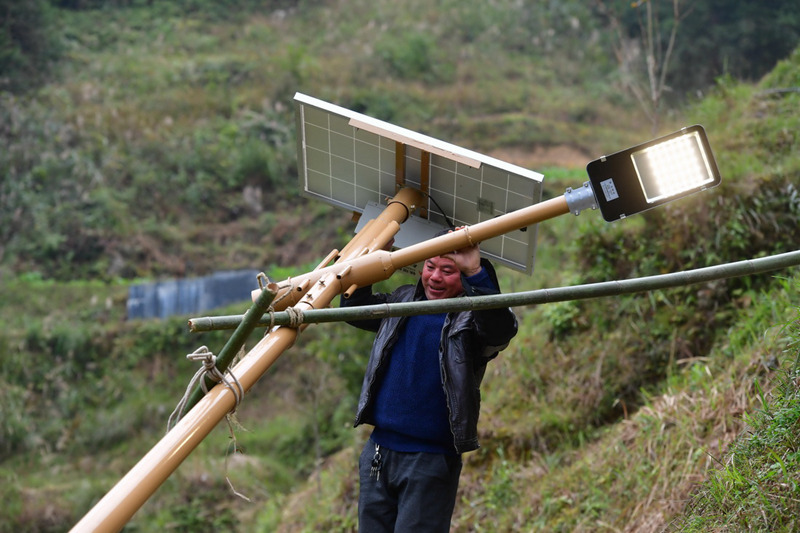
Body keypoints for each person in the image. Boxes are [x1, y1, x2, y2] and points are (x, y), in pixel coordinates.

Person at [340, 229, 518, 532]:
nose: (435, 277)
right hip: (379, 453)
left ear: (463, 277)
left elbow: (500, 330)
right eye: (430, 267)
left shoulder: (471, 320)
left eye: (448, 270)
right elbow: (353, 308)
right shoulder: (402, 300)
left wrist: (475, 270)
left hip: (430, 460)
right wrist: (373, 256)